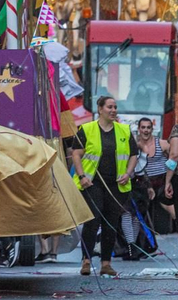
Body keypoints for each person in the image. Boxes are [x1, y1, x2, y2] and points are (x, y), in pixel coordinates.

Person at [66, 95, 134, 277]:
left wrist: (128, 173)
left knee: (111, 224)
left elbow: (133, 154)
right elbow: (76, 154)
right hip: (92, 183)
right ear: (100, 109)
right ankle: (86, 261)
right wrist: (81, 176)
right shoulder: (86, 129)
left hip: (116, 185)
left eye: (115, 107)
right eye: (110, 107)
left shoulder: (124, 130)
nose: (113, 110)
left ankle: (106, 263)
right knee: (92, 221)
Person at [129, 117, 167, 258]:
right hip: (137, 184)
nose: (146, 130)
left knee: (141, 216)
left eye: (148, 127)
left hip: (155, 183)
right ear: (139, 129)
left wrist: (169, 179)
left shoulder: (161, 144)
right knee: (136, 216)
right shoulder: (134, 144)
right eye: (143, 127)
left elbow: (174, 158)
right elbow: (137, 167)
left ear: (152, 129)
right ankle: (136, 247)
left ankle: (139, 247)